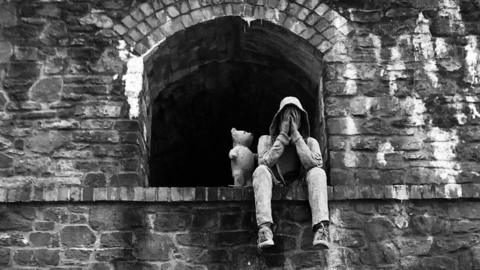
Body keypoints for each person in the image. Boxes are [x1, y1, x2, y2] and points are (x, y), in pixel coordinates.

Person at [253, 96, 330, 249]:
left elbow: (314, 164)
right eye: (287, 116)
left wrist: (296, 136)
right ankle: (264, 229)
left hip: (301, 182)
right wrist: (282, 137)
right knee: (261, 170)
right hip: (275, 182)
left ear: (301, 120)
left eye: (295, 116)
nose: (290, 120)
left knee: (318, 173)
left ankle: (321, 228)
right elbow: (264, 162)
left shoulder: (310, 142)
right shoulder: (265, 140)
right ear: (279, 119)